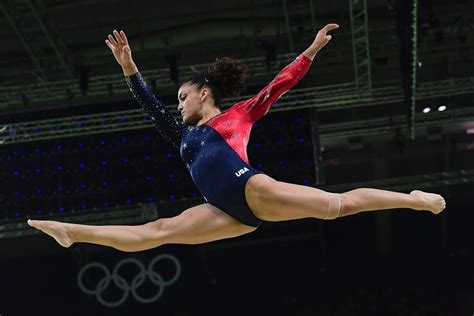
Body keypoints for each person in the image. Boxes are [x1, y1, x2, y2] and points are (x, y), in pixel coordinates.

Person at [27, 24, 446, 252]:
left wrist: (312, 50)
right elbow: (152, 107)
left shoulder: (238, 115)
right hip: (226, 212)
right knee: (156, 231)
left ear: (204, 92)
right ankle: (73, 232)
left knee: (341, 206)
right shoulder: (183, 135)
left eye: (183, 96)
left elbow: (278, 85)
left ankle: (410, 198)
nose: (178, 105)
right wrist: (129, 67)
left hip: (249, 187)